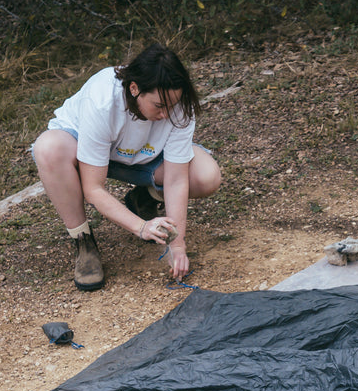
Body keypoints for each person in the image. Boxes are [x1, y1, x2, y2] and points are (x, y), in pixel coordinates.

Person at [31, 43, 222, 290]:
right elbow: (94, 189)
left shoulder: (179, 105)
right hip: (84, 154)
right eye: (159, 106)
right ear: (134, 89)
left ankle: (143, 198)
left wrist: (177, 244)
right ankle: (83, 242)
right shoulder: (102, 100)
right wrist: (140, 227)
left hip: (142, 158)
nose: (167, 114)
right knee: (48, 148)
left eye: (172, 105)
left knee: (206, 176)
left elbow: (176, 178)